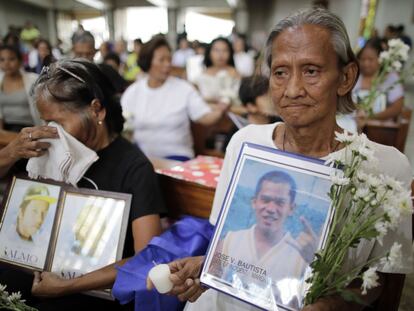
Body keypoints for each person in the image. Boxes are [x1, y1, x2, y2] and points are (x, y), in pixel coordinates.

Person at [150, 8, 413, 311]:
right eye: (280, 72)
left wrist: (332, 304)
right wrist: (205, 267)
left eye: (311, 71)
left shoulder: (385, 168)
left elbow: (384, 279)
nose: (292, 90)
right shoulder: (246, 142)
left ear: (345, 77)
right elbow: (227, 248)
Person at [0, 59, 166, 310]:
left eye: (59, 122)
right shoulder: (45, 149)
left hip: (84, 292)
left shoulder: (134, 167)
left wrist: (68, 286)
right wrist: (12, 151)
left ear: (96, 110)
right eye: (46, 122)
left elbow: (145, 257)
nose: (52, 131)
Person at [210, 170, 316, 309]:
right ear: (254, 202)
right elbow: (210, 284)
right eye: (265, 200)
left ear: (291, 208)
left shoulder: (301, 259)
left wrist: (314, 261)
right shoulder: (229, 241)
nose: (271, 208)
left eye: (280, 202)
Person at [121, 36, 228, 161]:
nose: (167, 64)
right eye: (161, 60)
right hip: (142, 158)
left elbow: (205, 117)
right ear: (147, 61)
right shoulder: (133, 92)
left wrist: (221, 108)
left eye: (169, 59)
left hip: (177, 157)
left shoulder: (184, 89)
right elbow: (124, 124)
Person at [353, 38, 404, 120]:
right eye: (362, 59)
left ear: (381, 59)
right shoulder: (354, 76)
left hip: (380, 128)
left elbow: (397, 108)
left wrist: (370, 117)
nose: (366, 63)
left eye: (370, 59)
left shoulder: (391, 77)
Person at [0, 45, 41, 132]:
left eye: (11, 59)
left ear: (20, 61)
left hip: (29, 127)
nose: (6, 63)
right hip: (5, 128)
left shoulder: (33, 80)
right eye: (2, 60)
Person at [195, 37, 241, 105]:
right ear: (209, 53)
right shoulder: (201, 75)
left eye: (225, 50)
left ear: (230, 53)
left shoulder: (236, 74)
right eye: (216, 50)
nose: (220, 54)